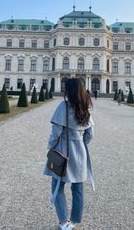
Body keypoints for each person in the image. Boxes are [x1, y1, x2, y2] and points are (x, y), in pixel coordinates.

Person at [44, 78, 95, 230]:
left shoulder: (63, 107)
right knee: (78, 187)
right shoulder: (85, 108)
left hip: (63, 150)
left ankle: (64, 222)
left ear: (69, 90)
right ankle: (74, 221)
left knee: (57, 186)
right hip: (80, 151)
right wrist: (80, 142)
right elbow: (90, 134)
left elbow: (56, 133)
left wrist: (51, 147)